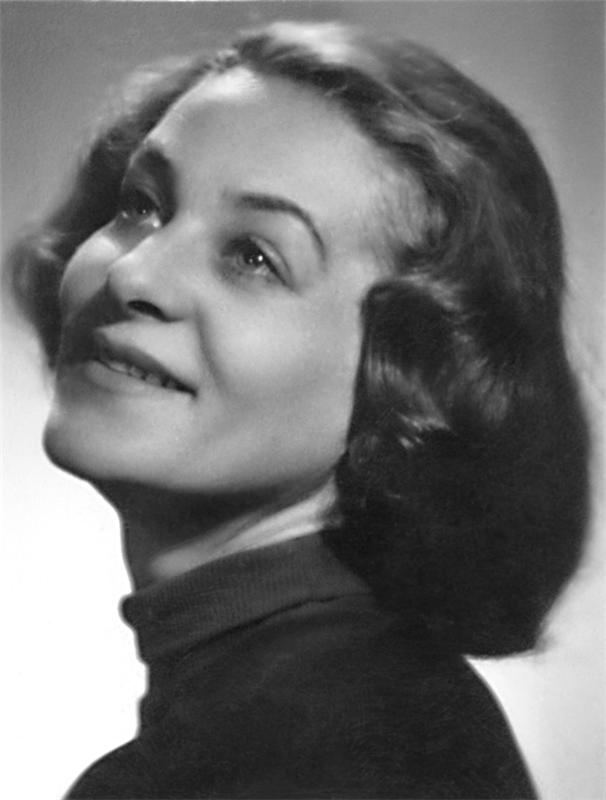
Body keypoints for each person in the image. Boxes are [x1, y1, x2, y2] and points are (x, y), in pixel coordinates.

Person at [8, 20, 588, 800]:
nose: (134, 275)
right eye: (142, 206)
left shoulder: (334, 754)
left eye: (254, 256)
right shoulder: (352, 710)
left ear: (408, 375)